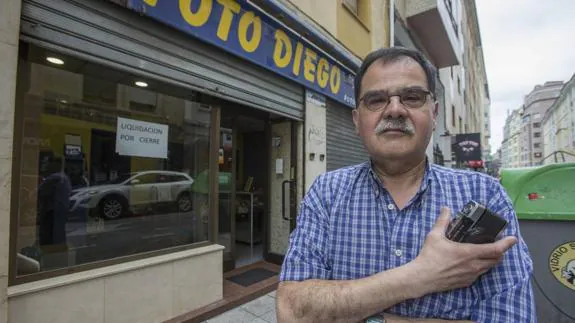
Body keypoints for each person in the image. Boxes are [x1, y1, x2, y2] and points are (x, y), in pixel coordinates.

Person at [276, 47, 535, 322]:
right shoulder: (326, 192)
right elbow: (292, 310)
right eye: (376, 100)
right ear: (356, 120)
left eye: (412, 97)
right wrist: (420, 275)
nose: (396, 110)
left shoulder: (485, 194)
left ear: (434, 113)